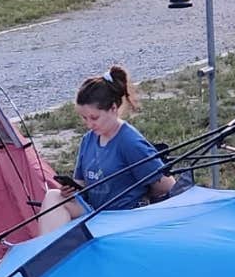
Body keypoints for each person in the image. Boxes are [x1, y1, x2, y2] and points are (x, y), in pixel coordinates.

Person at [66, 67, 177, 217]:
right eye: (84, 118)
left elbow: (166, 186)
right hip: (94, 212)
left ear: (113, 108)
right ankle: (50, 241)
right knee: (54, 197)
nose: (89, 124)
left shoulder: (129, 141)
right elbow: (80, 184)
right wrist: (70, 190)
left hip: (121, 218)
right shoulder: (88, 139)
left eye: (94, 118)